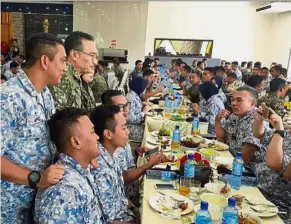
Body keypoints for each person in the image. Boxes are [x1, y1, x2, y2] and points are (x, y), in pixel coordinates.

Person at [1, 33, 67, 223]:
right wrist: (35, 178)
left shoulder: (44, 93)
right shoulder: (9, 97)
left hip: (36, 201)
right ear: (45, 61)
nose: (65, 68)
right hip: (10, 208)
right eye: (62, 61)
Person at [34, 108, 104, 223]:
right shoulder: (64, 192)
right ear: (76, 142)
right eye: (92, 132)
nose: (97, 137)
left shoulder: (82, 170)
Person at [101, 90, 163, 206]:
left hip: (134, 193)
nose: (126, 110)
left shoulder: (119, 129)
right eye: (121, 107)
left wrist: (136, 151)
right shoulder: (110, 139)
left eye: (127, 105)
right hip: (125, 201)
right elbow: (121, 178)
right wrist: (148, 165)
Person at [90, 105, 139, 223]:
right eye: (123, 128)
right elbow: (110, 221)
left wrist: (134, 209)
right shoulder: (100, 169)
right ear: (108, 134)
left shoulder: (111, 154)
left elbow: (119, 197)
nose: (128, 132)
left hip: (128, 214)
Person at [252, 108, 291, 222]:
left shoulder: (283, 132)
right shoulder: (287, 134)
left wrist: (279, 131)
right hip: (257, 189)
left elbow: (274, 163)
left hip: (276, 207)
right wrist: (259, 120)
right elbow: (259, 134)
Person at [215, 86, 266, 168]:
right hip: (231, 159)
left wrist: (232, 170)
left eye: (239, 100)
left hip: (249, 169)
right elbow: (221, 138)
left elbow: (248, 152)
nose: (233, 103)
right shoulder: (234, 116)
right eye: (233, 100)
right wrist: (217, 120)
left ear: (252, 104)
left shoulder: (257, 120)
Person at [49, 31, 97, 111]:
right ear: (74, 55)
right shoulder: (62, 78)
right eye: (91, 55)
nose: (95, 62)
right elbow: (60, 119)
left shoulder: (79, 78)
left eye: (96, 57)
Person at [127, 77, 149, 142]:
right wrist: (143, 113)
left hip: (136, 125)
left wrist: (142, 104)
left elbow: (135, 108)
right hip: (131, 129)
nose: (144, 89)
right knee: (150, 133)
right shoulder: (131, 99)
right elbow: (130, 119)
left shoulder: (134, 94)